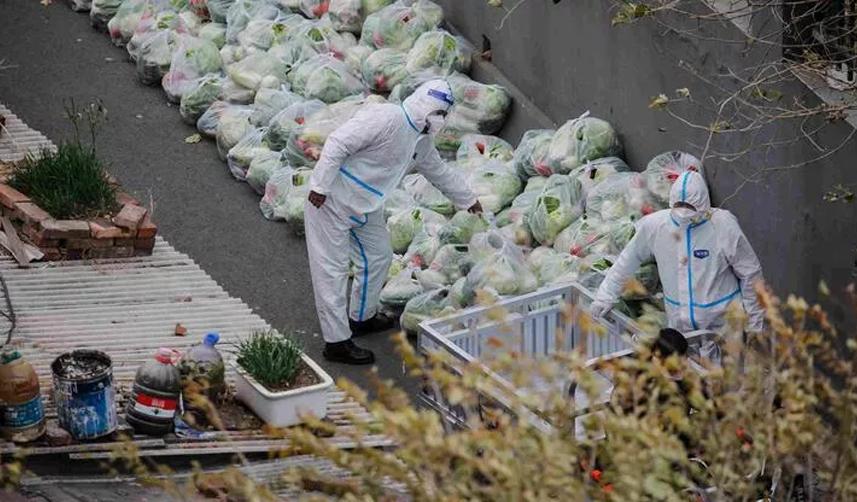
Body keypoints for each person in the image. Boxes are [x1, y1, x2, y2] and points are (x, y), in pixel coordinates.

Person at [304, 80, 482, 365]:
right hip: (331, 201)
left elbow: (438, 171)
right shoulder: (386, 117)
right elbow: (338, 143)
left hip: (367, 205)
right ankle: (336, 342)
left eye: (444, 114)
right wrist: (320, 186)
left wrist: (468, 199)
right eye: (439, 112)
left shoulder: (421, 140)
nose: (441, 120)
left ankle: (361, 317)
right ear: (425, 105)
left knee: (379, 257)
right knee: (331, 270)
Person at [590, 170, 765, 333]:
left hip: (725, 326)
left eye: (690, 207)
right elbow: (626, 262)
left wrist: (755, 323)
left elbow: (750, 273)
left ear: (704, 204)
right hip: (682, 330)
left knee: (729, 366)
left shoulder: (723, 225)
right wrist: (605, 295)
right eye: (679, 205)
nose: (684, 212)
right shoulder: (655, 226)